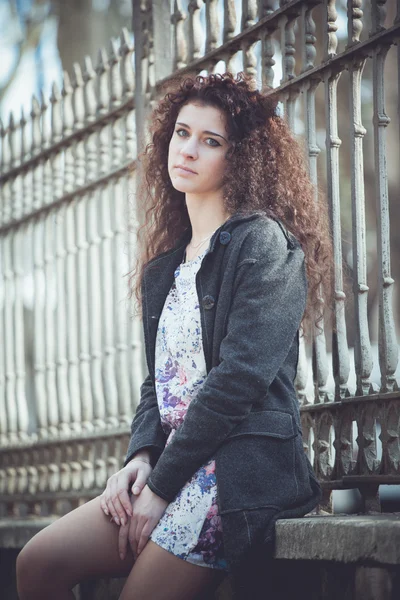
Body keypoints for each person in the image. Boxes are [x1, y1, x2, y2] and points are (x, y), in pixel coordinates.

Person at [16, 72, 332, 600]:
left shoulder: (264, 246)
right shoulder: (166, 268)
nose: (187, 150)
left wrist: (162, 487)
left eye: (211, 141)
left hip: (234, 476)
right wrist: (140, 457)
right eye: (182, 133)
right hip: (169, 468)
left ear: (241, 158)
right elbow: (158, 385)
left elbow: (240, 379)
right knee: (38, 564)